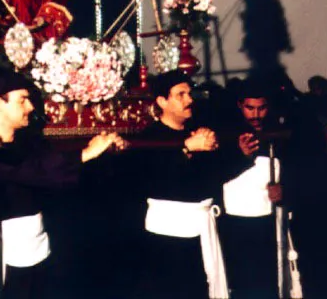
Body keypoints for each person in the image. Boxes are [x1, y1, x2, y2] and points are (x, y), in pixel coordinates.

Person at [0, 70, 120, 299]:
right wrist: (86, 153)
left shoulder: (31, 144)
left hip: (38, 249)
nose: (29, 107)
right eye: (22, 100)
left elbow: (60, 178)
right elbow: (31, 172)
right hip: (2, 255)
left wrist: (104, 151)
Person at [118, 70, 243, 299]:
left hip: (200, 229)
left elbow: (213, 177)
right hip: (166, 236)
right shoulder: (148, 137)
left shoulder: (198, 131)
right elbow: (150, 178)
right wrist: (186, 148)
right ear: (162, 101)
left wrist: (237, 155)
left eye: (189, 93)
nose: (189, 99)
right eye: (181, 94)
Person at [220, 79, 288, 298]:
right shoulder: (225, 133)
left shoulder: (276, 133)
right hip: (233, 225)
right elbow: (215, 175)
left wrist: (283, 189)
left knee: (268, 282)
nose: (256, 115)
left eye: (262, 108)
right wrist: (241, 156)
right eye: (250, 108)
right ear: (240, 105)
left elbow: (291, 170)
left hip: (267, 222)